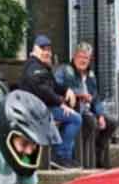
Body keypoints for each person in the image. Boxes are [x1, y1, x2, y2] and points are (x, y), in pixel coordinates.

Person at [19, 35, 79, 169]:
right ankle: (60, 157)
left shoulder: (42, 66)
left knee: (74, 117)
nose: (47, 52)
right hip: (36, 111)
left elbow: (54, 85)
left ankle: (63, 155)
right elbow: (43, 90)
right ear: (35, 49)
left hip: (43, 108)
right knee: (75, 119)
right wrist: (60, 103)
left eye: (48, 49)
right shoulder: (34, 66)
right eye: (43, 49)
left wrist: (67, 90)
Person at [56, 42, 117, 168]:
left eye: (86, 58)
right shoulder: (64, 70)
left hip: (89, 111)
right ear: (74, 56)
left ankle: (96, 154)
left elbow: (95, 97)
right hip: (74, 110)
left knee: (111, 122)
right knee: (90, 122)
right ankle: (80, 157)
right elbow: (56, 88)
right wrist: (78, 96)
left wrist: (100, 114)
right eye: (81, 56)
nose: (83, 60)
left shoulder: (90, 75)